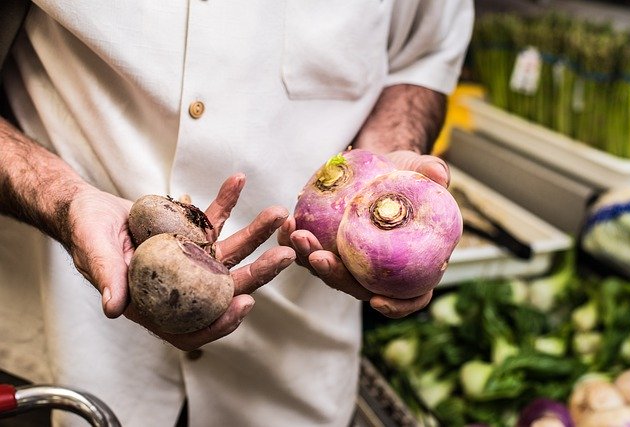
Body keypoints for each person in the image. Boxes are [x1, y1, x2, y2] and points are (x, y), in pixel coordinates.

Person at [0, 1, 474, 426]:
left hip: (294, 361)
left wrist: (380, 189)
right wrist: (62, 200)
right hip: (66, 335)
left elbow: (423, 58)